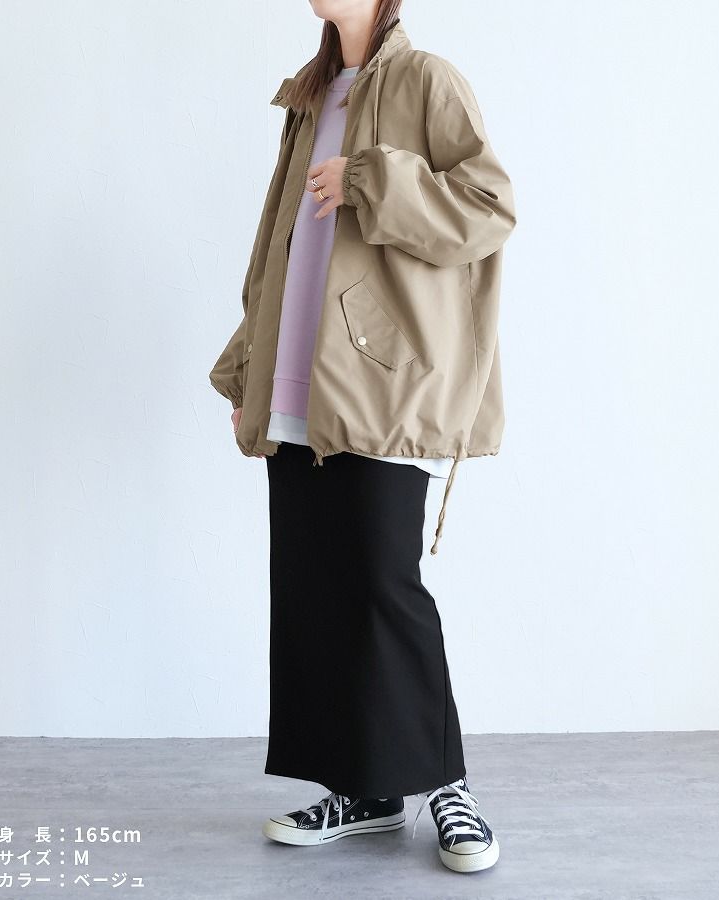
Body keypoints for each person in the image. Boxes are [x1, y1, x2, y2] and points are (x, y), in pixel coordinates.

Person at [208, 0, 516, 875]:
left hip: (381, 381)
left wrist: (373, 181)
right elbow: (278, 249)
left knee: (385, 588)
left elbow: (489, 207)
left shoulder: (426, 81)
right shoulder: (311, 95)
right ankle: (366, 790)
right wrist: (250, 373)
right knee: (318, 592)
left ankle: (447, 784)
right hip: (297, 382)